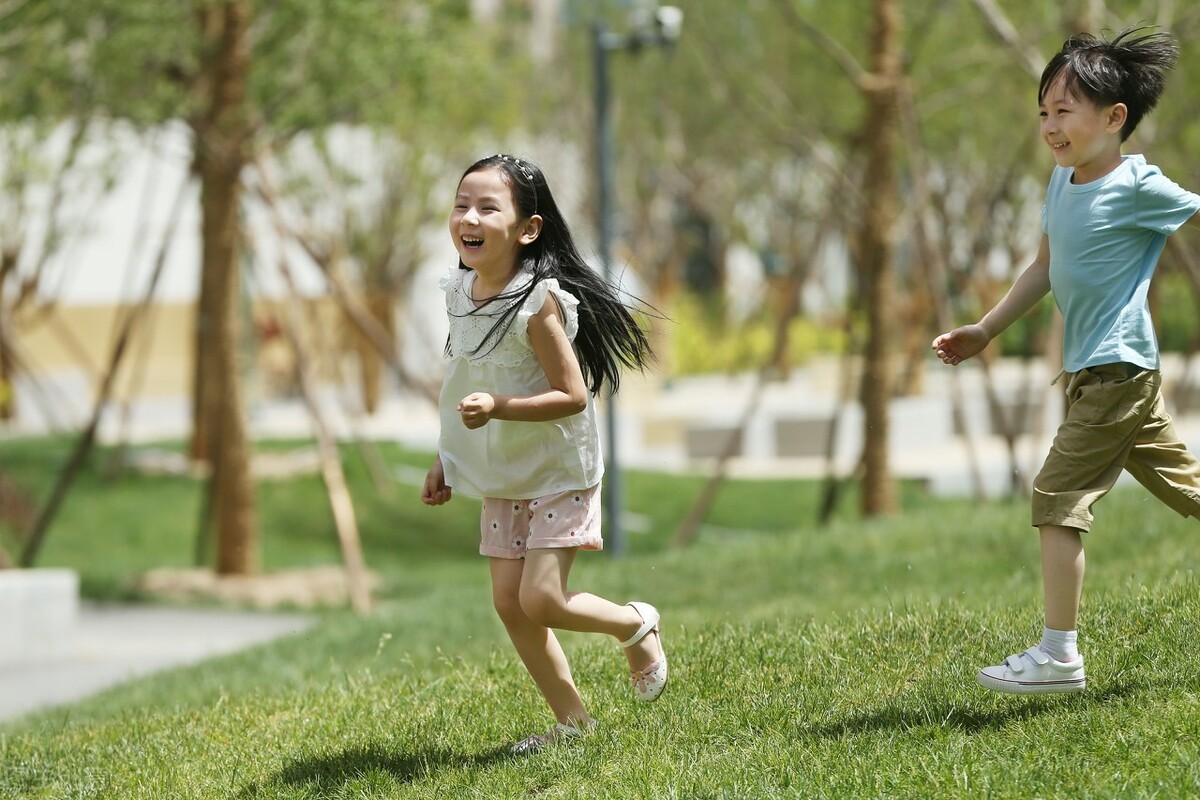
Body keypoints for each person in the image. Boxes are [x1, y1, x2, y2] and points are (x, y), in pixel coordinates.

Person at [932, 27, 1200, 694]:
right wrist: (988, 329)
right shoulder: (1059, 183)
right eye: (1044, 111)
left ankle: (1059, 656)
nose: (1051, 125)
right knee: (1189, 489)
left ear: (1114, 120)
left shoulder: (1138, 186)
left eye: (1065, 111)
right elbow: (1044, 267)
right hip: (1091, 371)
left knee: (1056, 496)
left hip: (1118, 368)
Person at [422, 154, 666, 752]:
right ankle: (573, 725)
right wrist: (446, 457)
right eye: (461, 205)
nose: (468, 217)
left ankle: (636, 624)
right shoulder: (459, 292)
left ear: (528, 229)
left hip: (558, 469)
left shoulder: (538, 302)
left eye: (486, 207)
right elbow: (460, 383)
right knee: (510, 603)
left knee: (543, 599)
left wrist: (499, 406)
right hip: (503, 469)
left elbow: (573, 396)